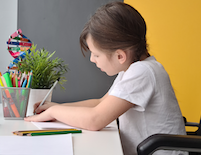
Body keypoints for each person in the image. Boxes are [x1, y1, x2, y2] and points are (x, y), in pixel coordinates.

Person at [24, 2, 187, 155]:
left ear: (120, 56)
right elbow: (101, 103)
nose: (92, 59)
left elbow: (95, 119)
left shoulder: (142, 72)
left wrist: (55, 111)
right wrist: (59, 107)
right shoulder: (133, 69)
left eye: (96, 54)